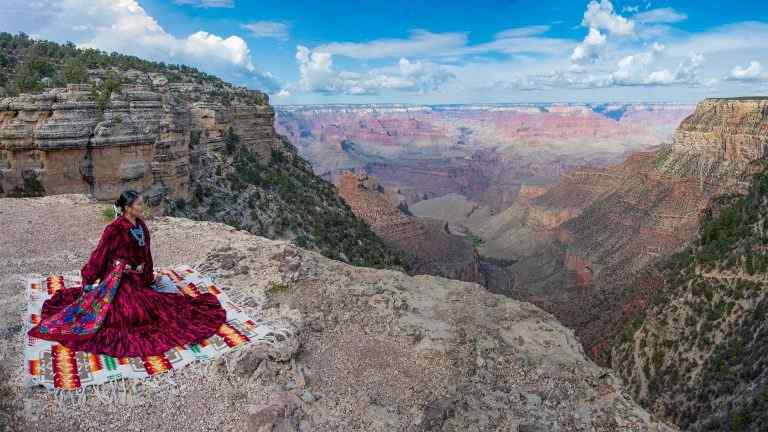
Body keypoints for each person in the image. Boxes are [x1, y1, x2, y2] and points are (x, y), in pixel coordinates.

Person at [27, 190, 227, 358]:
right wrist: (90, 279)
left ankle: (144, 288)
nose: (142, 206)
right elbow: (101, 255)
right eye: (139, 204)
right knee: (133, 312)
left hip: (139, 277)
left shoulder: (140, 224)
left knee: (160, 305)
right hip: (120, 279)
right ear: (128, 207)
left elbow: (145, 253)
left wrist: (146, 275)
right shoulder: (114, 229)